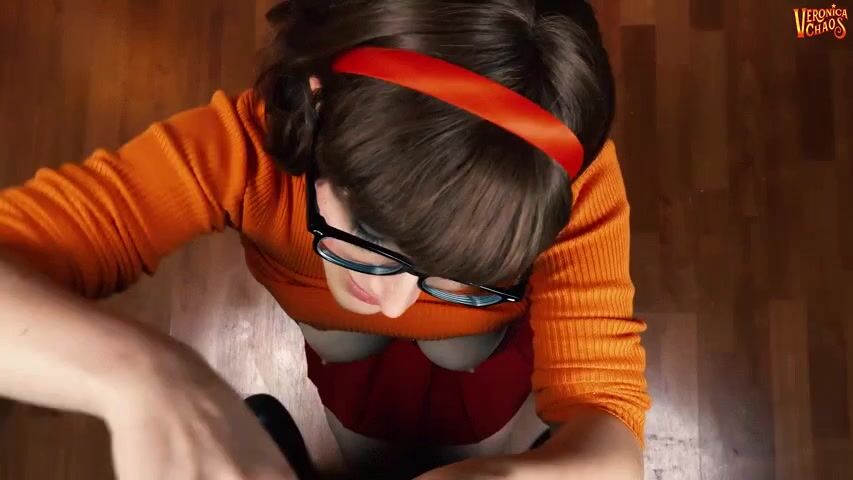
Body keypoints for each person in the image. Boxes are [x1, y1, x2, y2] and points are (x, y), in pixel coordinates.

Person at [0, 0, 650, 479]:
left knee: (454, 353)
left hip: (453, 342)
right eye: (368, 233)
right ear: (321, 102)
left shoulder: (553, 175)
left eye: (465, 271)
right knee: (348, 347)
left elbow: (603, 406)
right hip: (337, 337)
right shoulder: (239, 149)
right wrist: (143, 373)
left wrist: (509, 475)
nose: (395, 303)